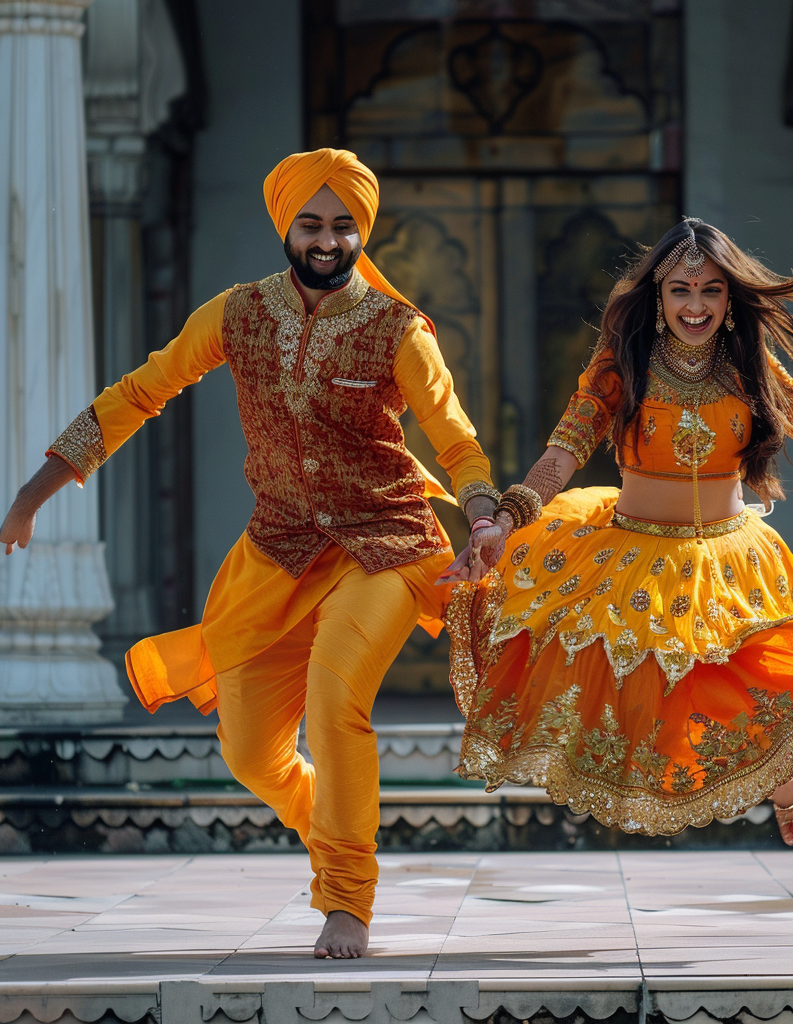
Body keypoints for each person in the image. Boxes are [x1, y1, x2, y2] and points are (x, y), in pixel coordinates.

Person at [0, 148, 500, 959]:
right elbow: (140, 392)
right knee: (248, 752)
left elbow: (456, 438)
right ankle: (342, 829)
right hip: (277, 550)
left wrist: (481, 514)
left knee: (337, 702)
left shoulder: (397, 330)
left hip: (385, 544)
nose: (327, 240)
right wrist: (34, 492)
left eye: (344, 226)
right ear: (287, 227)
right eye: (312, 223)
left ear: (362, 232)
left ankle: (346, 897)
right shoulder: (236, 315)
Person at [442, 218, 793, 846]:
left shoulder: (750, 366)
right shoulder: (622, 365)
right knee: (634, 676)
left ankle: (787, 774)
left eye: (711, 291)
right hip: (631, 550)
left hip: (729, 554)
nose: (696, 306)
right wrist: (508, 517)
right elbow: (562, 452)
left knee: (745, 670)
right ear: (658, 299)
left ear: (729, 298)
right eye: (682, 292)